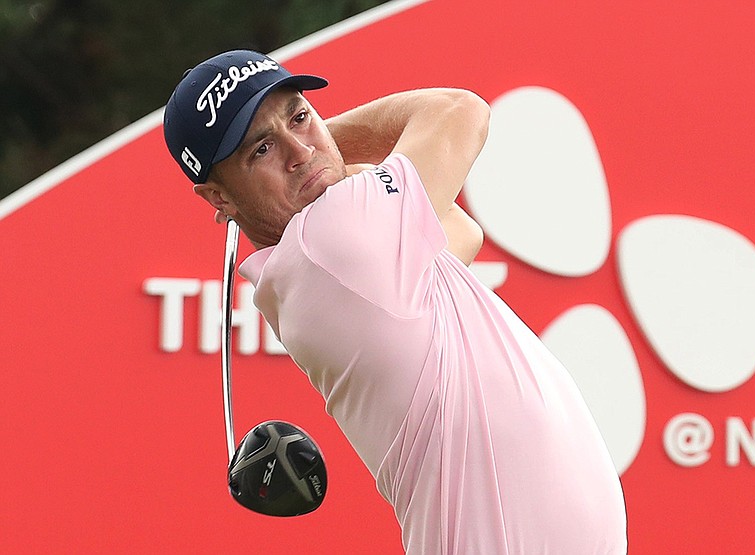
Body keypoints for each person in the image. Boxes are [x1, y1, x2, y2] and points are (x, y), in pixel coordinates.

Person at [164, 50, 627, 554]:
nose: (298, 149)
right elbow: (458, 110)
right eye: (261, 150)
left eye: (300, 116)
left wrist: (313, 159)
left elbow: (460, 233)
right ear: (219, 200)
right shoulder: (336, 236)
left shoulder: (326, 259)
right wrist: (326, 150)